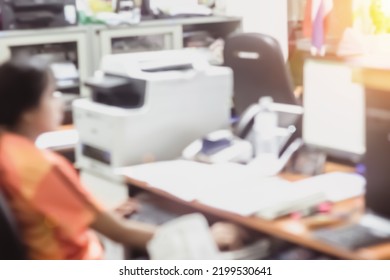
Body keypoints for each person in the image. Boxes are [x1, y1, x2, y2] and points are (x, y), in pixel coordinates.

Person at [0, 57, 249, 260]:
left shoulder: (8, 153)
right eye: (51, 95)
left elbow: (40, 218)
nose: (60, 103)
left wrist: (96, 214)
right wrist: (207, 237)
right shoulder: (42, 166)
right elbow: (121, 233)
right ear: (28, 113)